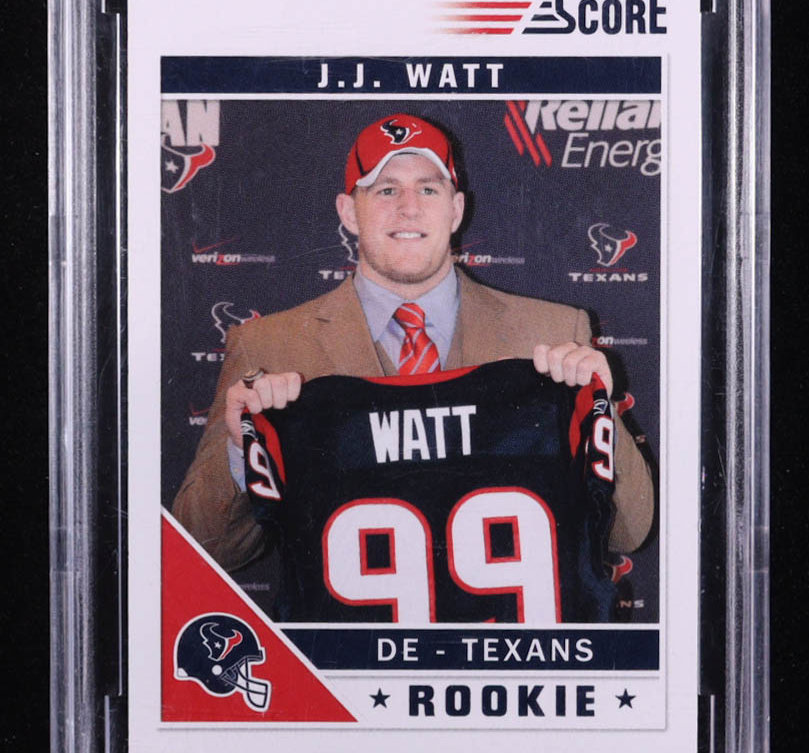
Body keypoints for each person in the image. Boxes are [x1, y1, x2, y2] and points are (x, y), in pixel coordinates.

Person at [172, 113, 654, 570]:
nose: (409, 207)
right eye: (386, 189)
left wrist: (599, 412)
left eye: (428, 188)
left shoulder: (550, 335)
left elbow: (627, 532)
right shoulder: (270, 347)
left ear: (456, 208)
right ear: (349, 211)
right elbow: (206, 550)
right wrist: (242, 449)